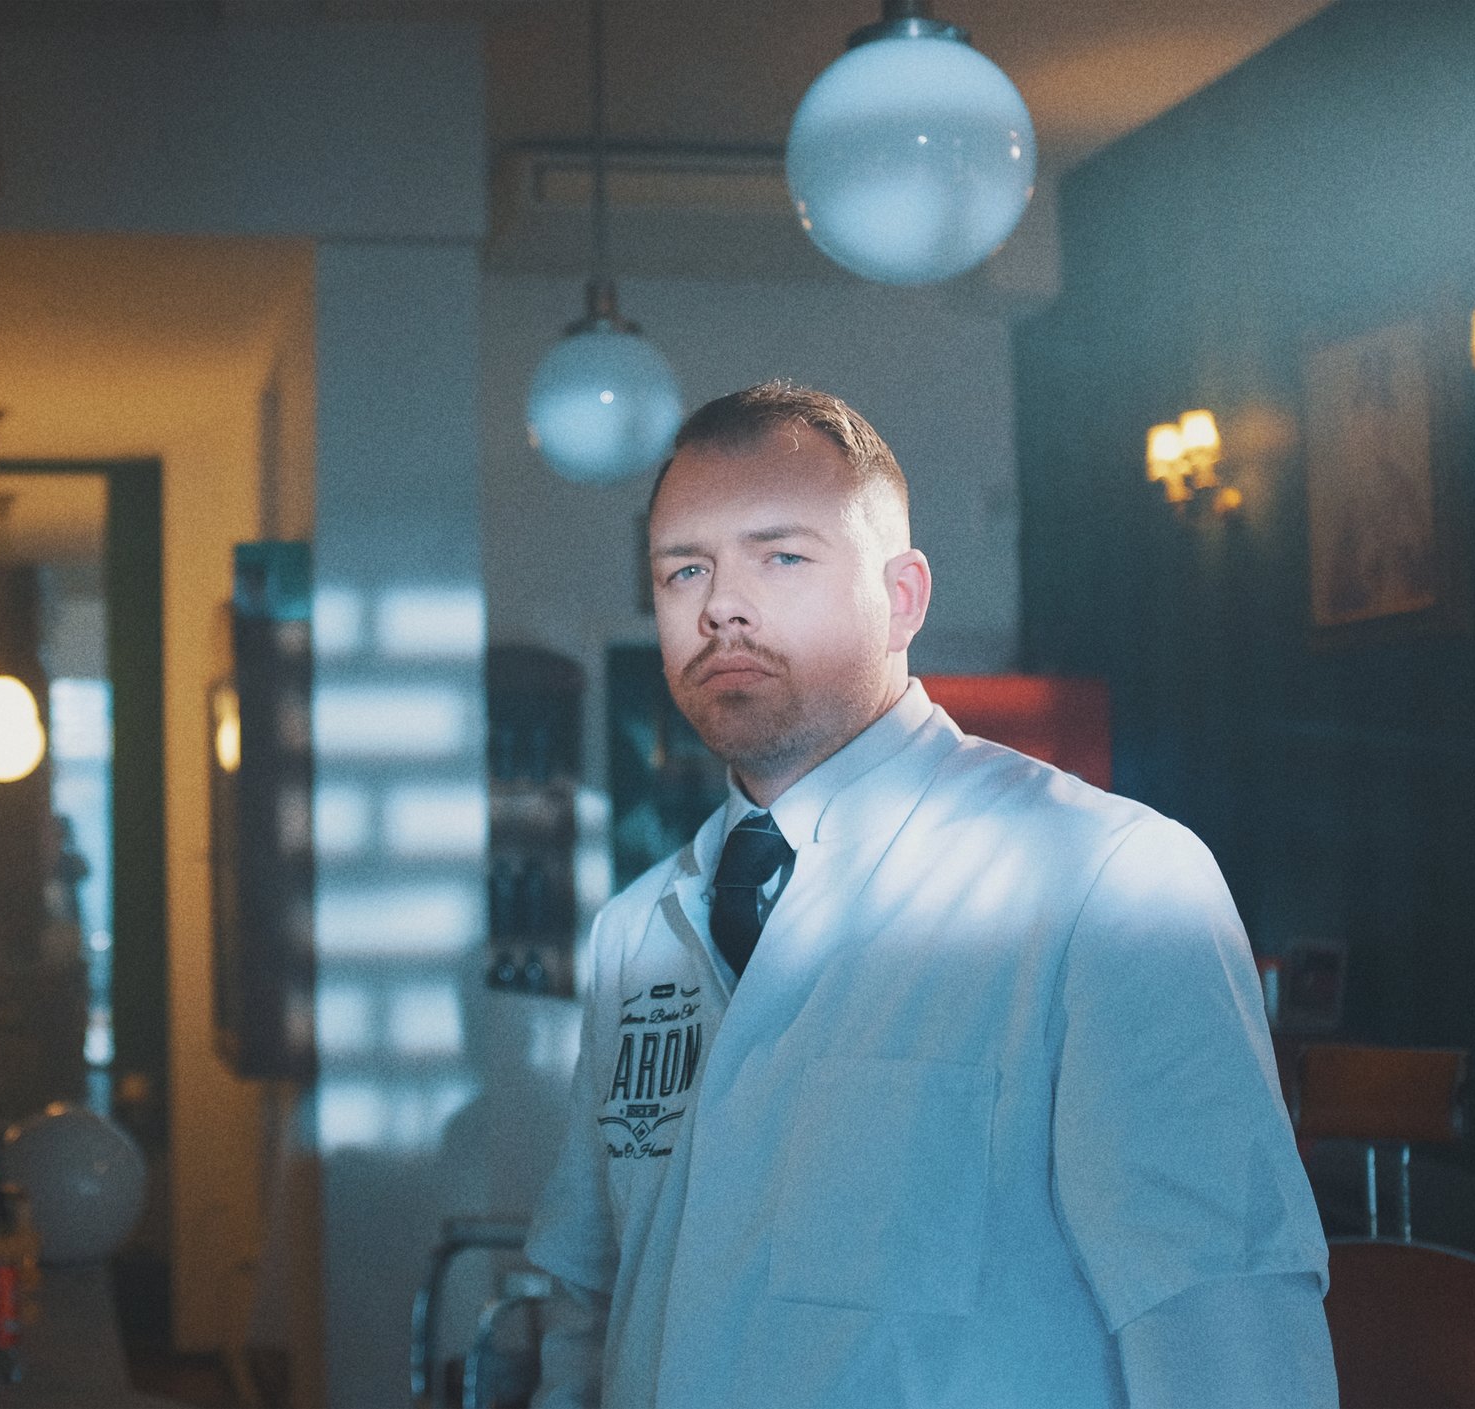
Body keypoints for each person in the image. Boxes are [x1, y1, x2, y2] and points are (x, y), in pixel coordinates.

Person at [524, 382, 1336, 1408]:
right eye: (685, 568)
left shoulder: (1109, 883)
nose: (720, 603)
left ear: (902, 597)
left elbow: (1227, 1336)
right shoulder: (637, 932)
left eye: (781, 556)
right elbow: (589, 1308)